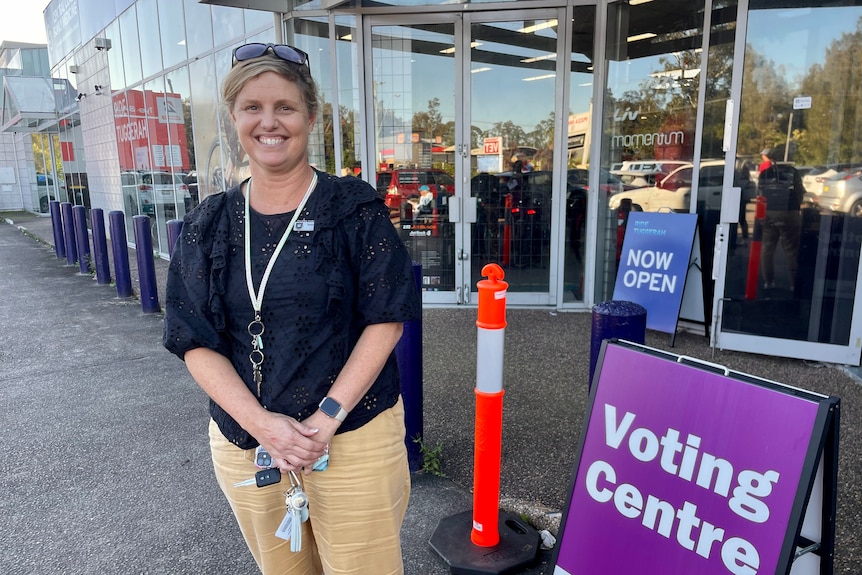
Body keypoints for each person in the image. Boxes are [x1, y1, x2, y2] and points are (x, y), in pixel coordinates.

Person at [163, 42, 421, 575]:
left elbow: (385, 318)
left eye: (284, 107)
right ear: (234, 117)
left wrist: (326, 419)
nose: (269, 122)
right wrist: (265, 427)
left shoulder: (353, 209)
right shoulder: (208, 224)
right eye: (252, 107)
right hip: (248, 442)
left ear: (310, 115)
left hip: (352, 433)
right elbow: (194, 339)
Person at [757, 162, 803, 290]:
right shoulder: (792, 172)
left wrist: (761, 215)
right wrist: (796, 207)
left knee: (767, 248)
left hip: (769, 211)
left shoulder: (765, 174)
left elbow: (760, 195)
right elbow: (800, 192)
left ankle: (769, 282)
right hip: (789, 212)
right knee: (791, 249)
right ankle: (794, 284)